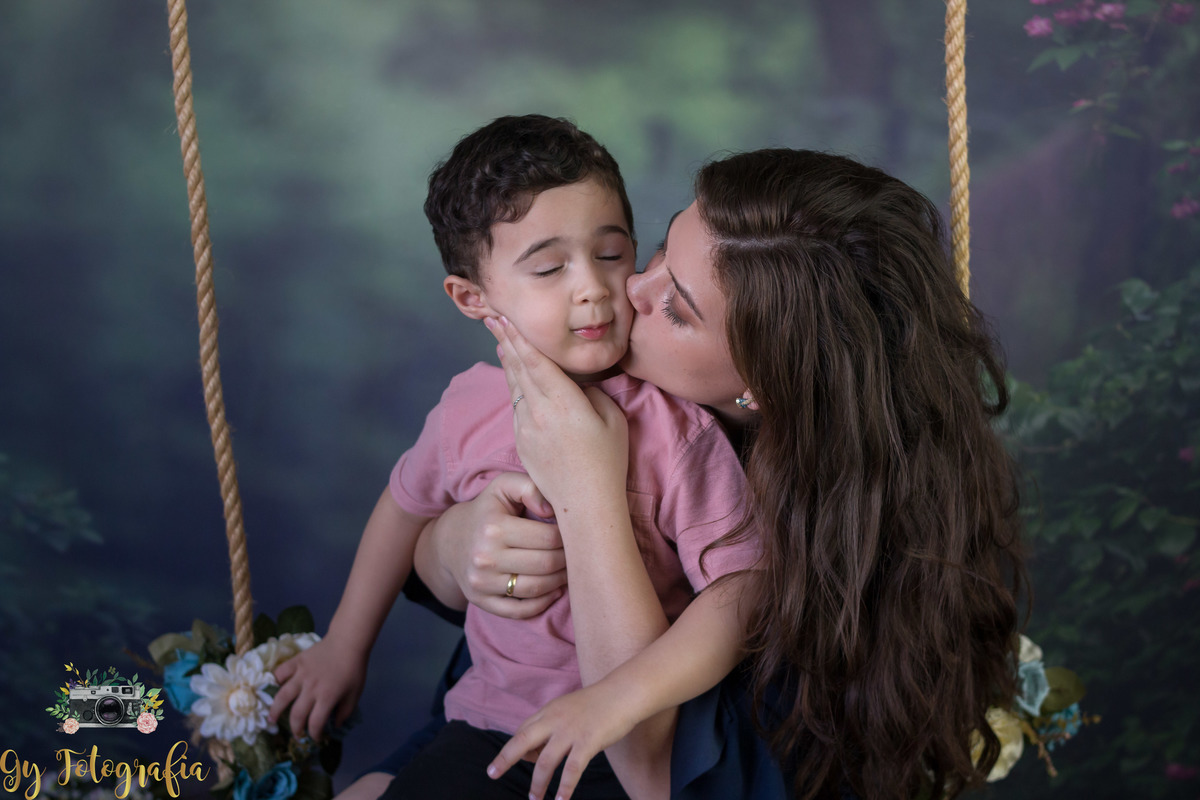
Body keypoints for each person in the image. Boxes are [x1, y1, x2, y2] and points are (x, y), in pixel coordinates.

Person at [395, 148, 1028, 800]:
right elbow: (479, 607)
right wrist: (450, 544)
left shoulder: (806, 603)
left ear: (764, 383)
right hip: (486, 736)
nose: (631, 290)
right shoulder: (609, 386)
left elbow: (640, 765)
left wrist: (588, 493)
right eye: (662, 250)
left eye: (677, 309)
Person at [268, 115, 760, 800]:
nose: (591, 287)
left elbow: (741, 592)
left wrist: (619, 698)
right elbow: (404, 506)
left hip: (625, 745)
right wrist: (347, 646)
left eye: (613, 254)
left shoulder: (678, 428)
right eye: (550, 268)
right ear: (474, 298)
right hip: (489, 730)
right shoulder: (469, 407)